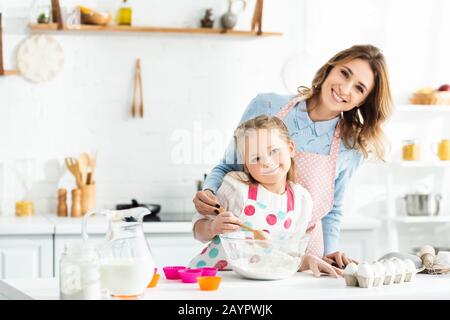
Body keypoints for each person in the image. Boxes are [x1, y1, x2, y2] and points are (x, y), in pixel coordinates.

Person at [193, 44, 393, 268]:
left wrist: (331, 252)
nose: (345, 88)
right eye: (344, 73)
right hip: (245, 248)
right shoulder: (266, 105)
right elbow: (228, 166)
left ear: (363, 101)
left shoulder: (351, 146)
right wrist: (209, 193)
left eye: (359, 88)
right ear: (330, 68)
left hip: (307, 258)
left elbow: (332, 209)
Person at [189, 115, 343, 277]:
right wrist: (212, 227)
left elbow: (287, 254)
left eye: (274, 151)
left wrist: (306, 260)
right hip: (216, 278)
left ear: (290, 148)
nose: (267, 162)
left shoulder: (301, 201)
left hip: (260, 281)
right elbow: (198, 230)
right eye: (256, 158)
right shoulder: (236, 188)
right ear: (246, 165)